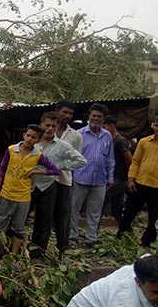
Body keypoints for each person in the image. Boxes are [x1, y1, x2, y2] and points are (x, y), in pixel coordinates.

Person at [0, 124, 60, 255]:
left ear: (38, 141)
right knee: (0, 224)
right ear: (24, 135)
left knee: (18, 228)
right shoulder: (12, 150)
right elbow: (2, 169)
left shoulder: (38, 156)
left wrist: (36, 171)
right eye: (28, 135)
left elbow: (55, 170)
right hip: (6, 194)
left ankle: (13, 255)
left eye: (34, 137)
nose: (29, 139)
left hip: (23, 198)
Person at [29, 112, 87, 259]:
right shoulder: (33, 142)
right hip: (28, 184)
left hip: (48, 186)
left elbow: (81, 161)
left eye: (53, 126)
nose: (49, 129)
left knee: (44, 221)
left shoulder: (62, 146)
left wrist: (59, 166)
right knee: (20, 218)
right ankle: (15, 249)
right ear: (42, 124)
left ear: (57, 127)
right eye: (47, 125)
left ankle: (37, 253)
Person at [70, 103, 115, 247]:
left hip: (100, 180)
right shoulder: (79, 134)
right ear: (89, 116)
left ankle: (91, 238)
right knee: (74, 209)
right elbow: (72, 157)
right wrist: (71, 176)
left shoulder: (107, 136)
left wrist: (110, 177)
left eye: (99, 116)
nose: (96, 118)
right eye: (94, 115)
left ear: (104, 118)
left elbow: (110, 159)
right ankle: (72, 236)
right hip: (80, 177)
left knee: (95, 211)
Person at [117, 117, 158, 247]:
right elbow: (135, 162)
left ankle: (147, 241)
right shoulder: (144, 142)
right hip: (139, 183)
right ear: (153, 126)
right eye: (157, 125)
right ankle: (123, 235)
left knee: (154, 217)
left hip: (157, 187)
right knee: (129, 211)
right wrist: (131, 180)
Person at [53, 100, 84, 254]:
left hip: (64, 180)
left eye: (70, 113)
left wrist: (61, 166)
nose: (67, 116)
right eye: (64, 112)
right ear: (57, 111)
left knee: (63, 217)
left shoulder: (75, 136)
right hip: (42, 181)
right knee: (42, 216)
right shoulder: (46, 129)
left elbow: (77, 158)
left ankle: (62, 249)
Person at [102, 115, 132, 223]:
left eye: (104, 126)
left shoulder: (120, 141)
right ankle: (125, 230)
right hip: (113, 177)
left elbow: (129, 160)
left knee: (102, 200)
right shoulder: (110, 140)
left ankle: (93, 232)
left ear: (110, 126)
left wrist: (126, 176)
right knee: (117, 206)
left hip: (119, 178)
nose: (102, 129)